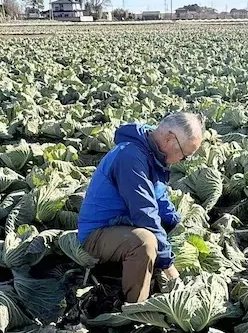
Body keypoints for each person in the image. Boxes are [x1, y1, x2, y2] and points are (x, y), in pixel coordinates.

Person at [77, 112, 205, 303]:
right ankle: (136, 308)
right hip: (97, 234)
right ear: (170, 139)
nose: (182, 161)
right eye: (184, 155)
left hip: (122, 226)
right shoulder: (131, 157)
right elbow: (144, 212)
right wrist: (169, 265)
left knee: (159, 235)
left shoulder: (151, 153)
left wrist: (177, 223)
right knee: (145, 243)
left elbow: (158, 198)